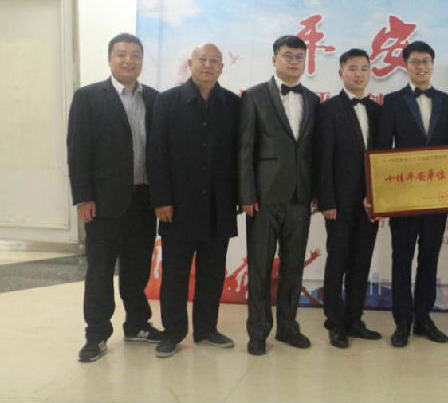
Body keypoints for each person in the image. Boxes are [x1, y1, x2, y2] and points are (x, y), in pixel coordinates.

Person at [67, 33, 162, 362]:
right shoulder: (88, 98)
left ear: (142, 60)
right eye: (121, 54)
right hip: (104, 201)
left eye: (135, 54)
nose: (128, 60)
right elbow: (78, 151)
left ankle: (137, 325)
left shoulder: (154, 98)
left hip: (144, 200)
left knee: (138, 268)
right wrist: (83, 197)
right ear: (110, 59)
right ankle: (96, 334)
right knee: (100, 270)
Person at [148, 43, 240, 358]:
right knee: (175, 273)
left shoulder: (232, 104)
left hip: (219, 204)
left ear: (222, 67)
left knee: (212, 272)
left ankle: (207, 330)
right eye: (202, 59)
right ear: (190, 63)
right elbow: (157, 153)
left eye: (215, 61)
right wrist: (161, 199)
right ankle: (173, 332)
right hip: (178, 205)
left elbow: (239, 155)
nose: (208, 65)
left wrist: (238, 198)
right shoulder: (168, 101)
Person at [238, 35, 321, 355]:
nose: (294, 62)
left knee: (293, 267)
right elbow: (245, 149)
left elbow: (313, 152)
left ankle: (288, 326)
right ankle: (258, 331)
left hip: (300, 197)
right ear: (274, 59)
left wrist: (315, 193)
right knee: (260, 267)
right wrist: (246, 194)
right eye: (288, 56)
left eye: (300, 57)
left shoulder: (312, 99)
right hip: (264, 197)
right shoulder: (255, 96)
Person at [375, 41, 448, 347]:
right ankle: (402, 322)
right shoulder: (392, 101)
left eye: (426, 61)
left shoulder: (447, 102)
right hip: (403, 196)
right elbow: (382, 149)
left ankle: (423, 318)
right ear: (406, 65)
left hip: (437, 196)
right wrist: (381, 195)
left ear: (432, 64)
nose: (421, 66)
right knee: (402, 257)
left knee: (429, 257)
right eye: (415, 61)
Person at [316, 48, 382, 349]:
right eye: (352, 68)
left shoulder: (377, 110)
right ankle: (335, 322)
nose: (358, 74)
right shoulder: (329, 109)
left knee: (361, 261)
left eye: (364, 68)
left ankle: (355, 318)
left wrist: (381, 199)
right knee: (338, 261)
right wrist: (327, 201)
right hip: (339, 203)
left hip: (371, 203)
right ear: (341, 72)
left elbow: (383, 159)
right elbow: (323, 158)